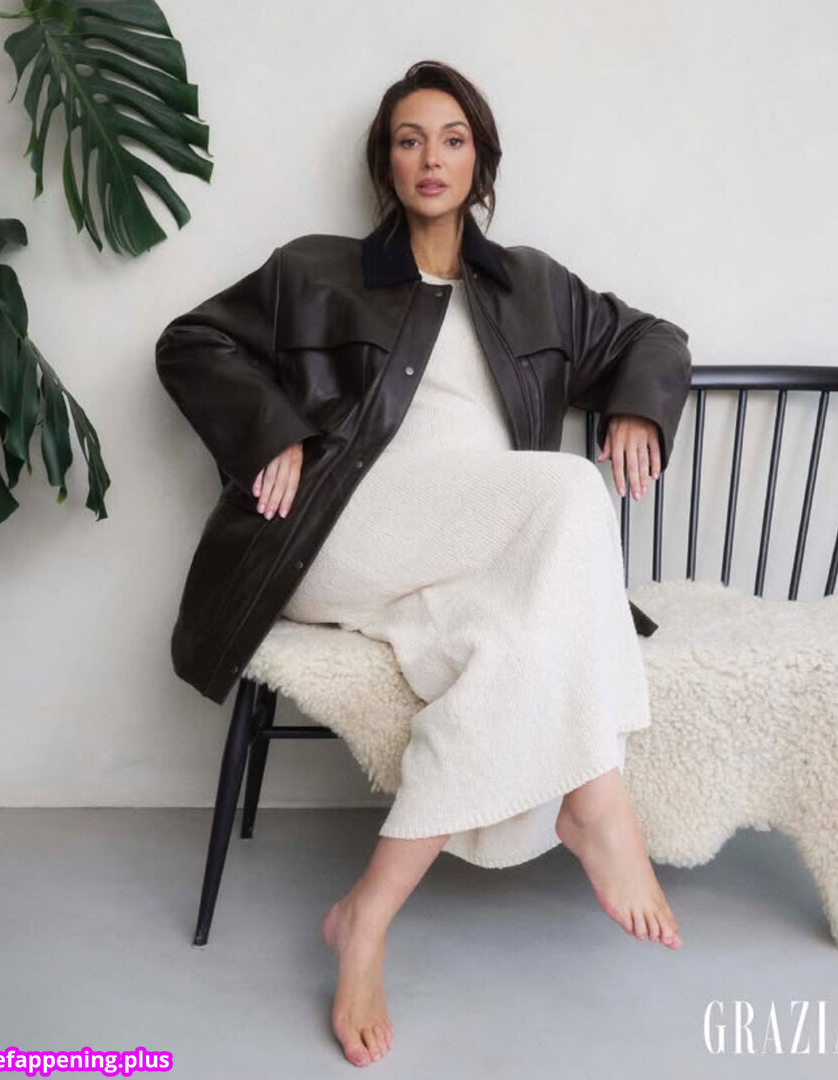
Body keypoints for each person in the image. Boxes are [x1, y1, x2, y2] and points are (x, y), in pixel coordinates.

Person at [232, 61, 686, 1067]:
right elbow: (194, 343)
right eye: (408, 139)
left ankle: (364, 915)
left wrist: (636, 404)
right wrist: (273, 431)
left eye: (450, 138)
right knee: (571, 488)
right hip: (342, 536)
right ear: (384, 164)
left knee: (508, 650)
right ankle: (597, 801)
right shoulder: (318, 271)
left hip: (463, 555)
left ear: (479, 159)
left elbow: (652, 336)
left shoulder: (533, 285)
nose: (429, 158)